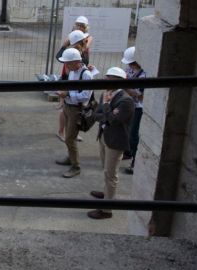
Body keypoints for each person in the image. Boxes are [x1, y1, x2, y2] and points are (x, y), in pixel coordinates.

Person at [88, 67, 135, 219]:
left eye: (112, 80)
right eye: (107, 78)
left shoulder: (126, 100)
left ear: (120, 82)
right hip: (104, 136)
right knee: (106, 170)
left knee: (111, 174)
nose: (108, 82)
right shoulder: (105, 94)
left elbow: (115, 121)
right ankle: (107, 193)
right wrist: (107, 114)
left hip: (115, 141)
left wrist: (107, 108)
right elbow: (98, 115)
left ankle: (107, 210)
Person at [54, 48, 93, 178]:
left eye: (68, 63)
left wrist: (68, 94)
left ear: (77, 62)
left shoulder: (86, 75)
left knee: (70, 138)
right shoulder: (73, 71)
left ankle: (76, 166)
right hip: (68, 106)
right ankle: (71, 158)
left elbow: (86, 96)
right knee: (68, 137)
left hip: (76, 109)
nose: (66, 66)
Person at [57, 28, 93, 141]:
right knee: (65, 109)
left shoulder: (83, 51)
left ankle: (71, 132)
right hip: (70, 81)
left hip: (76, 82)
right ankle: (63, 131)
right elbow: (60, 58)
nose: (87, 40)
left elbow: (81, 66)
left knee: (70, 111)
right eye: (85, 39)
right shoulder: (75, 52)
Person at [121, 46, 147, 175]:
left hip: (138, 107)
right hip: (129, 104)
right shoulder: (131, 70)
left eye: (131, 63)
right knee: (125, 129)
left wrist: (124, 86)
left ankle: (135, 161)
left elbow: (139, 95)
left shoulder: (143, 75)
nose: (129, 66)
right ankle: (128, 151)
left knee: (133, 134)